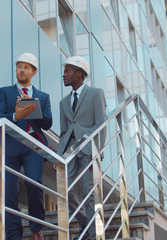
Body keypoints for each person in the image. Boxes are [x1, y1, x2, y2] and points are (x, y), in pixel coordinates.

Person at [0, 53, 52, 240]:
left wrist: (37, 110)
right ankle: (13, 234)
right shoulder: (4, 92)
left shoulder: (43, 96)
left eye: (26, 67)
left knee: (33, 182)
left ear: (33, 72)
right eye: (19, 66)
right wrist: (16, 116)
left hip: (32, 145)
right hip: (11, 144)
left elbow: (48, 123)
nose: (22, 70)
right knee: (9, 189)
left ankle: (36, 227)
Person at [57, 56, 107, 240]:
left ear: (79, 73)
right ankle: (86, 222)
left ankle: (95, 234)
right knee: (64, 190)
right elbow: (63, 132)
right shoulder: (63, 102)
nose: (64, 75)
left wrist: (97, 151)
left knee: (89, 193)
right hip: (69, 151)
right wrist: (58, 156)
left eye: (67, 71)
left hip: (88, 150)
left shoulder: (95, 93)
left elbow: (101, 124)